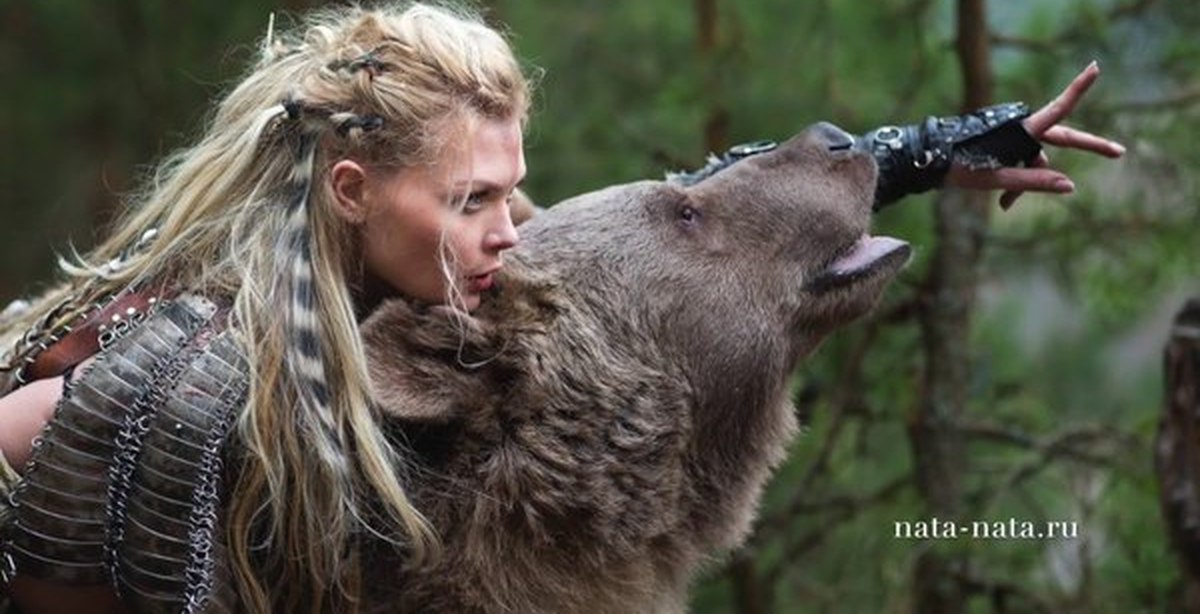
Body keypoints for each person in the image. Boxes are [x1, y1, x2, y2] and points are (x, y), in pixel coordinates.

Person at [0, 2, 1122, 613]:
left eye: (514, 188)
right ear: (354, 193)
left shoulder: (485, 292)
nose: (511, 226)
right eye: (475, 198)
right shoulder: (206, 382)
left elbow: (678, 222)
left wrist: (945, 147)